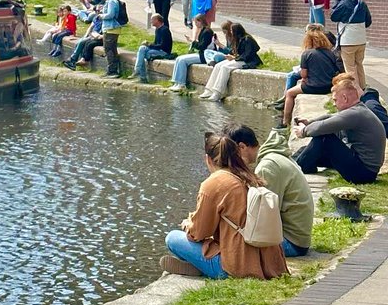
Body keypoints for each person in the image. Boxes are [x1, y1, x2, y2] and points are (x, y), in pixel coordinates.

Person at [162, 132, 288, 279]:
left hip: (238, 266)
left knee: (172, 238)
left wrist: (188, 224)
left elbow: (197, 234)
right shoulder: (250, 177)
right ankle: (198, 267)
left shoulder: (213, 184)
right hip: (270, 263)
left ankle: (204, 268)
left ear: (208, 159)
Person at [228, 125, 314, 258]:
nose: (231, 161)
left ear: (242, 147)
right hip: (298, 238)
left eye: (231, 154)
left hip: (291, 243)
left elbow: (263, 217)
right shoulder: (274, 156)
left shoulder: (267, 167)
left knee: (228, 242)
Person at [292, 74, 386, 184]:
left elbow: (323, 127)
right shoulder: (357, 110)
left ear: (345, 98)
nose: (333, 103)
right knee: (306, 149)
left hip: (364, 173)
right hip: (361, 165)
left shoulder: (355, 114)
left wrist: (303, 131)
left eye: (335, 100)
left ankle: (298, 167)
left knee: (324, 138)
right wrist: (309, 122)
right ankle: (292, 163)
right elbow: (331, 118)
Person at [280, 26, 342, 126]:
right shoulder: (331, 53)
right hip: (328, 86)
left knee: (289, 93)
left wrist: (305, 78)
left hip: (312, 87)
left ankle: (285, 121)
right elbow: (336, 70)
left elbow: (303, 74)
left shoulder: (307, 54)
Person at [198, 22, 261, 101]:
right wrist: (231, 56)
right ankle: (209, 90)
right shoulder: (237, 39)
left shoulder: (247, 39)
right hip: (238, 58)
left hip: (247, 61)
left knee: (225, 67)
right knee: (218, 66)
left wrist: (234, 58)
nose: (231, 32)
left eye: (232, 30)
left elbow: (247, 54)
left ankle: (218, 92)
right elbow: (234, 51)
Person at [330, 0, 372, 90]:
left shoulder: (343, 4)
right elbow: (368, 21)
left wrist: (336, 0)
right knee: (359, 66)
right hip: (361, 40)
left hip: (348, 41)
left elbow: (333, 16)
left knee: (350, 69)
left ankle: (356, 92)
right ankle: (363, 89)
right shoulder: (361, 2)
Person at [168, 14, 215, 91]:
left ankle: (181, 83)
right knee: (179, 58)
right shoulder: (203, 30)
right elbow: (201, 44)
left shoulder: (207, 32)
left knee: (183, 60)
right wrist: (193, 42)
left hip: (205, 55)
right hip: (202, 53)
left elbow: (202, 46)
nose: (195, 25)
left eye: (196, 22)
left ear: (200, 21)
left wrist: (192, 42)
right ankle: (176, 82)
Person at [133, 13, 174, 82]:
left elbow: (163, 45)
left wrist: (149, 45)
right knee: (142, 48)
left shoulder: (165, 30)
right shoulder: (157, 29)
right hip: (157, 50)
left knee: (142, 55)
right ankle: (138, 71)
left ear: (157, 20)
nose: (151, 21)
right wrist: (148, 45)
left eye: (152, 20)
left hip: (163, 51)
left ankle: (141, 76)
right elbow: (156, 43)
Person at [98, 0, 124, 77]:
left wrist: (101, 16)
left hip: (111, 28)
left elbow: (111, 15)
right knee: (112, 49)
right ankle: (113, 70)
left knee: (108, 49)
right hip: (111, 28)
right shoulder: (110, 1)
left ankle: (112, 71)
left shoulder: (112, 1)